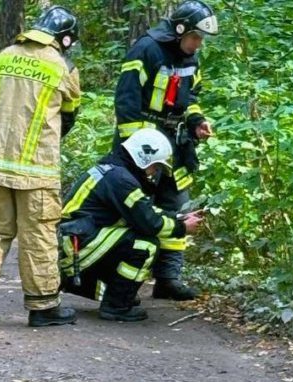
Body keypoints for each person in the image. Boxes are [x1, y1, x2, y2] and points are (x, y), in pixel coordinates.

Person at [0, 5, 82, 327]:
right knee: (38, 233)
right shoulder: (63, 66)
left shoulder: (5, 56)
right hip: (36, 169)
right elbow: (69, 116)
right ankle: (43, 306)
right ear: (65, 38)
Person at [113, 0, 218, 300]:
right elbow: (126, 100)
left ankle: (168, 279)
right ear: (180, 30)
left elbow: (191, 97)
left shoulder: (191, 59)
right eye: (195, 37)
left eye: (201, 39)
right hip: (142, 143)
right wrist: (136, 152)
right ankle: (123, 283)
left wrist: (197, 122)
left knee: (177, 204)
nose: (198, 44)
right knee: (137, 208)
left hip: (175, 142)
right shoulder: (146, 49)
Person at [60, 128, 203, 321]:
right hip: (77, 248)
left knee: (132, 241)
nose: (155, 172)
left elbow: (143, 211)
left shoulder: (114, 172)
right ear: (144, 158)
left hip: (76, 243)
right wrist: (182, 228)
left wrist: (178, 217)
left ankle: (114, 294)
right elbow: (149, 223)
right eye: (155, 166)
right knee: (145, 245)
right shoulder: (121, 180)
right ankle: (116, 306)